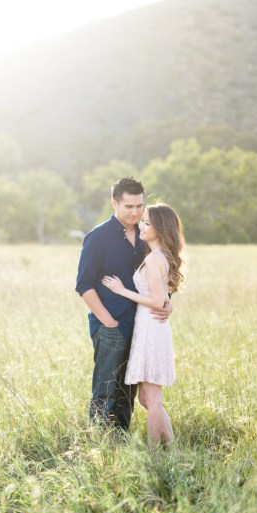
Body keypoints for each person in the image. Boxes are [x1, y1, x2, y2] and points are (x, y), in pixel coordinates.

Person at [75, 178, 172, 432]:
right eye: (128, 206)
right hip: (111, 324)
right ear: (114, 203)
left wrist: (167, 302)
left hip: (140, 325)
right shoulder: (98, 237)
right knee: (106, 388)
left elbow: (156, 278)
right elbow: (84, 284)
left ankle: (120, 438)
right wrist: (108, 320)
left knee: (127, 391)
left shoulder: (144, 236)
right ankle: (100, 442)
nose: (135, 212)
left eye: (139, 206)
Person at [102, 203, 185, 447]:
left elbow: (157, 301)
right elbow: (163, 299)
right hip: (149, 325)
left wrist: (122, 291)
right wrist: (166, 303)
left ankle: (155, 455)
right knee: (148, 400)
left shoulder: (153, 260)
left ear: (160, 229)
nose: (141, 225)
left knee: (152, 399)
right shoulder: (157, 257)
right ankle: (172, 450)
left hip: (151, 327)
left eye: (147, 222)